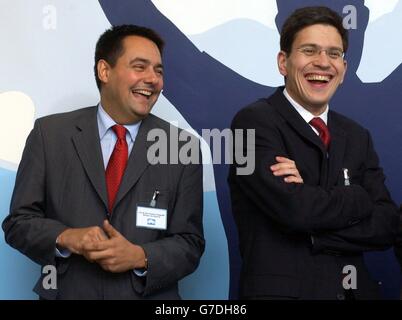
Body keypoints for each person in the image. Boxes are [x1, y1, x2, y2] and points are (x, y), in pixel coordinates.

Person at [2, 25, 204, 300]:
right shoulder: (49, 135)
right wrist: (67, 237)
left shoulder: (182, 147)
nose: (153, 79)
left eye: (158, 70)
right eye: (140, 66)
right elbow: (19, 223)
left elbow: (190, 244)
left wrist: (140, 256)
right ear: (105, 71)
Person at [228, 6, 399, 300]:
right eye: (310, 50)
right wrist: (358, 197)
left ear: (344, 69)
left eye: (334, 54)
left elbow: (386, 225)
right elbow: (295, 211)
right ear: (283, 62)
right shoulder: (250, 124)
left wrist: (312, 227)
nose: (323, 63)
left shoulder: (358, 136)